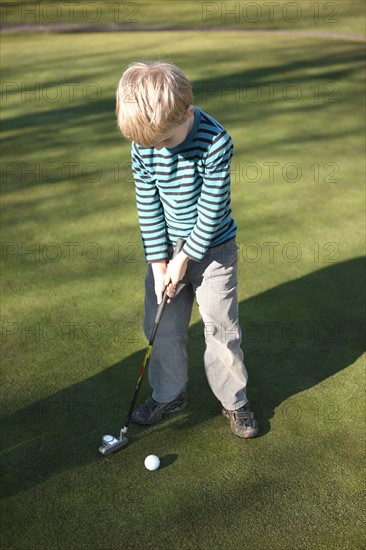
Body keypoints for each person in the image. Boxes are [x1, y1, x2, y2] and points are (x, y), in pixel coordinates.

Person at [115, 60, 258, 438]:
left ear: (188, 114)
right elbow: (148, 204)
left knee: (221, 327)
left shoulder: (215, 141)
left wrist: (184, 258)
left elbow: (211, 211)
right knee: (161, 327)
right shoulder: (144, 143)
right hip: (168, 250)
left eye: (166, 140)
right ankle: (169, 393)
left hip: (215, 250)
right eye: (151, 143)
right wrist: (160, 262)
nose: (158, 148)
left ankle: (234, 400)